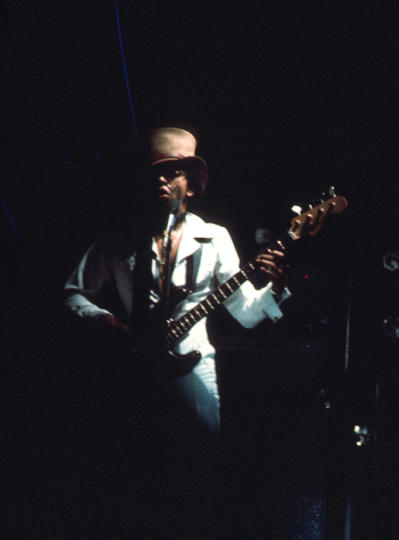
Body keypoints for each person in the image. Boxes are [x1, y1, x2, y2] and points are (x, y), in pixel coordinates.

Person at [62, 126, 292, 534]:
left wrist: (273, 283)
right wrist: (103, 320)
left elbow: (247, 314)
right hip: (131, 367)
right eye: (155, 173)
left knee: (198, 475)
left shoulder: (214, 238)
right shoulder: (119, 236)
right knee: (133, 479)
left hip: (193, 372)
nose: (162, 181)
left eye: (173, 173)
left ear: (193, 182)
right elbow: (72, 293)